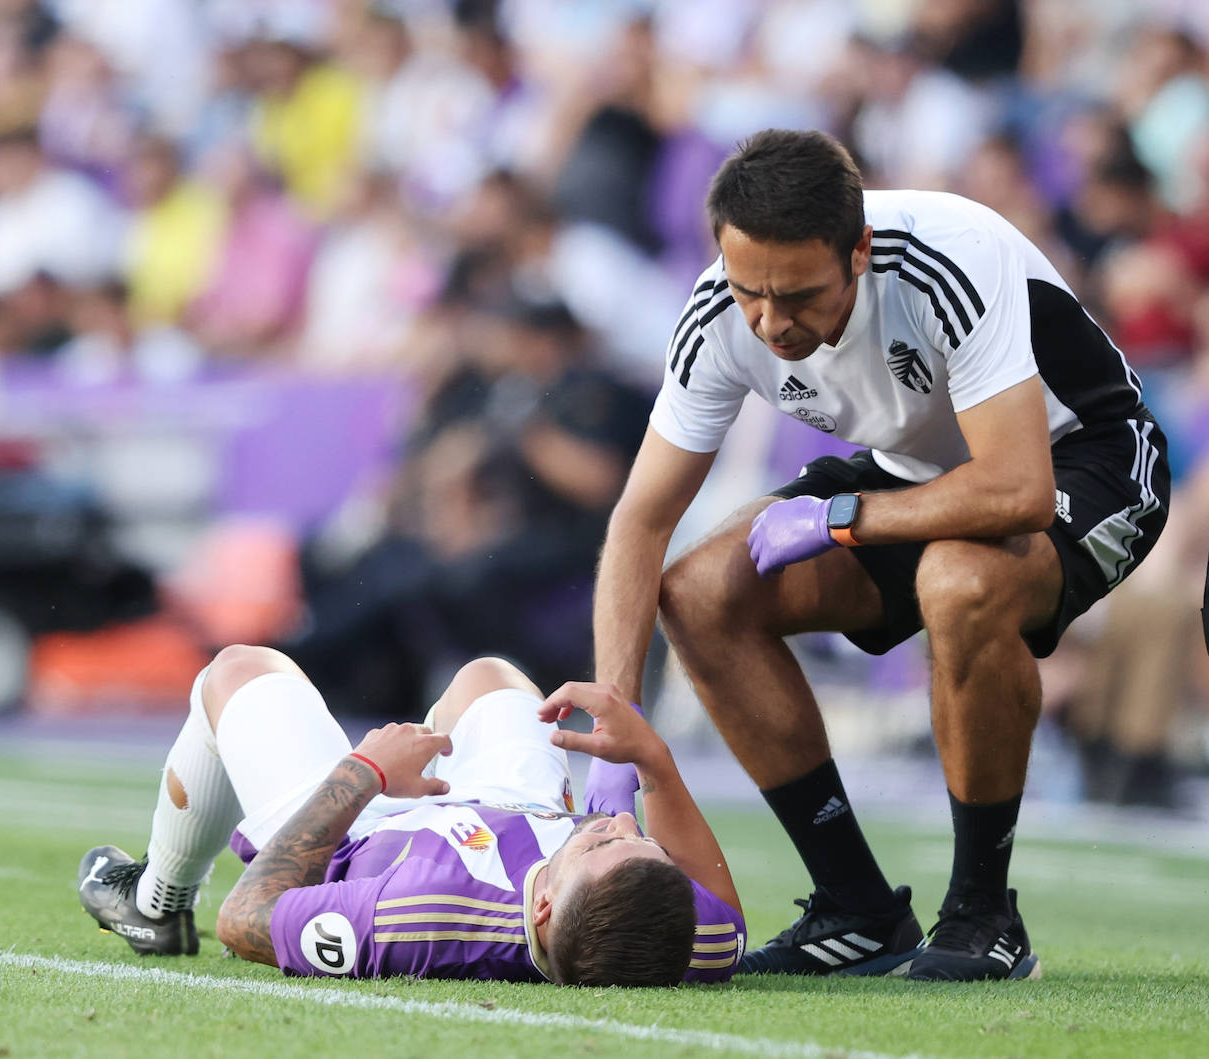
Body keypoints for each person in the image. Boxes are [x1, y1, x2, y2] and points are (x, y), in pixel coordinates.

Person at [593, 129, 1169, 982]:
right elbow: (639, 523)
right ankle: (857, 909)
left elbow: (1015, 488)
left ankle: (983, 915)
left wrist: (841, 515)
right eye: (751, 292)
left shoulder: (950, 257)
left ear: (859, 249)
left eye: (798, 295)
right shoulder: (721, 311)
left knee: (960, 581)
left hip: (1084, 458)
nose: (771, 322)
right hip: (914, 474)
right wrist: (618, 721)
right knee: (704, 593)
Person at [78, 645, 745, 986]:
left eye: (602, 842)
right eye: (642, 841)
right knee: (490, 678)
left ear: (542, 909)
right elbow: (725, 916)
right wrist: (651, 759)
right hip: (512, 812)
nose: (620, 824)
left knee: (238, 669)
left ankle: (157, 901)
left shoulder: (425, 912)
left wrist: (364, 774)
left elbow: (247, 916)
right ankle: (436, 758)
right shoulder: (685, 937)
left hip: (370, 830)